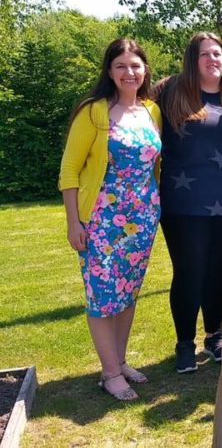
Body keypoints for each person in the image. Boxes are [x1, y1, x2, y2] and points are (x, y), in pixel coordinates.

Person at [59, 38, 161, 400]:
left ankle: (119, 360)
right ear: (109, 71)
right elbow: (70, 170)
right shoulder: (94, 112)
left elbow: (154, 166)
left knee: (128, 292)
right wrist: (74, 222)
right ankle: (109, 372)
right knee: (103, 296)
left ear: (144, 69)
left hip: (143, 218)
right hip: (103, 220)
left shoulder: (152, 111)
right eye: (121, 66)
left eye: (135, 65)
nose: (129, 72)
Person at [155, 32, 222, 373]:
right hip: (184, 204)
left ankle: (215, 336)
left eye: (219, 54)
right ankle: (184, 343)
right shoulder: (169, 93)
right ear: (192, 60)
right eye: (205, 55)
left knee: (218, 270)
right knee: (189, 272)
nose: (213, 60)